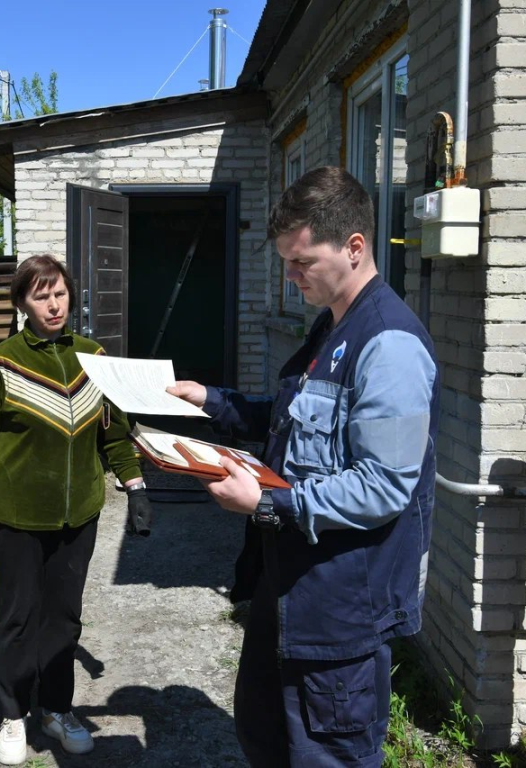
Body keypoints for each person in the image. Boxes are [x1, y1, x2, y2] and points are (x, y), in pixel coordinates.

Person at [168, 166, 439, 767]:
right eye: (287, 262)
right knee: (266, 736)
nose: (291, 279)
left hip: (342, 607)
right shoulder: (332, 327)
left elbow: (384, 486)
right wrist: (211, 401)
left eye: (302, 262)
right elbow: (292, 420)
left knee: (326, 755)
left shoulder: (388, 343)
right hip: (288, 584)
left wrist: (267, 502)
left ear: (354, 247)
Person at [0, 254, 154, 765]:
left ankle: (56, 709)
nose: (53, 304)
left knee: (64, 621)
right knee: (18, 619)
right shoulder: (1, 362)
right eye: (41, 295)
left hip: (78, 518)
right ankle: (13, 714)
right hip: (16, 519)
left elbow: (115, 434)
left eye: (60, 293)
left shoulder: (94, 358)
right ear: (22, 303)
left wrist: (135, 488)